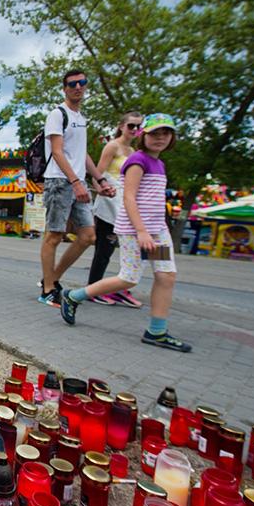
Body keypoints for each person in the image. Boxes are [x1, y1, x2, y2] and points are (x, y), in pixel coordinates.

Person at [59, 113, 192, 352]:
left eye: (166, 133)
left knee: (166, 276)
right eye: (154, 133)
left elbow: (154, 200)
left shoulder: (159, 164)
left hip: (156, 232)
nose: (160, 138)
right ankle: (73, 296)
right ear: (144, 135)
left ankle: (156, 330)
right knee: (129, 277)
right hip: (135, 231)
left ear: (172, 137)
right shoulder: (138, 161)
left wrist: (156, 228)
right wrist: (140, 231)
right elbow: (129, 197)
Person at [38, 68, 116, 307]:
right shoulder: (57, 114)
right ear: (65, 88)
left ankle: (51, 279)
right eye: (72, 84)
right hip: (59, 181)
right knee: (54, 235)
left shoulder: (81, 119)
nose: (77, 87)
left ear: (86, 86)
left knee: (88, 236)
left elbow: (82, 155)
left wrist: (100, 180)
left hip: (78, 181)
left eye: (82, 83)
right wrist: (74, 181)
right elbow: (58, 152)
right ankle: (48, 290)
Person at [86, 112, 144, 307]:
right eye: (131, 126)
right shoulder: (112, 146)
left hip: (126, 203)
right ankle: (93, 288)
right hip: (110, 203)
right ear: (121, 126)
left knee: (132, 250)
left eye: (138, 126)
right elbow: (96, 173)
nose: (135, 130)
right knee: (105, 248)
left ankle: (120, 287)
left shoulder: (134, 151)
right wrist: (101, 189)